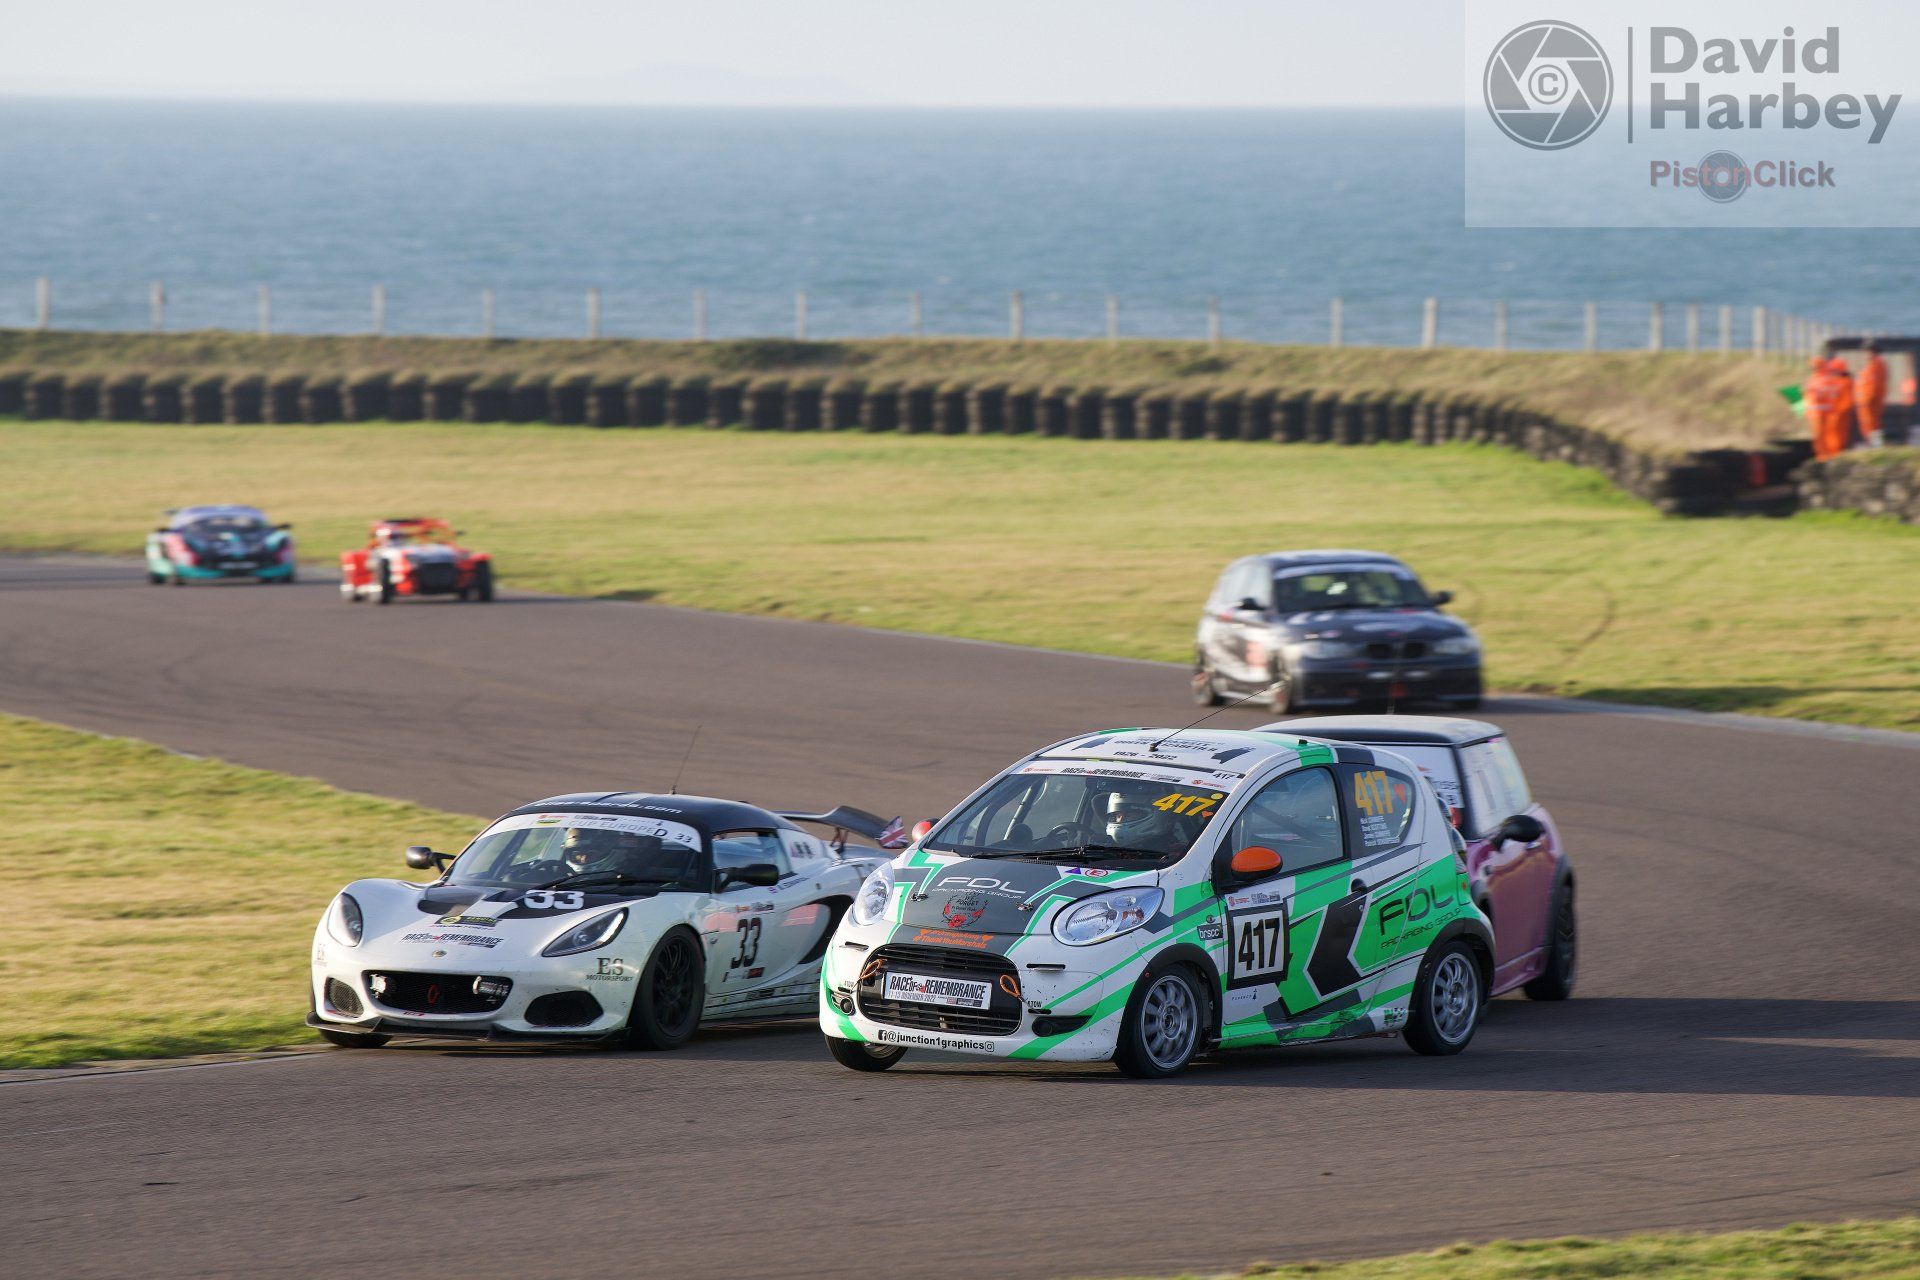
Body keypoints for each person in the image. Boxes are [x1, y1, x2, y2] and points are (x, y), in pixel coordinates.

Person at [1855, 341, 1889, 447]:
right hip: (1866, 402)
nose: (1865, 355)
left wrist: (1868, 399)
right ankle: (1872, 445)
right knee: (1868, 425)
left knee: (1873, 425)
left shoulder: (1876, 365)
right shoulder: (1871, 366)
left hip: (1870, 402)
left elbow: (1874, 386)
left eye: (1867, 352)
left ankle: (1876, 446)